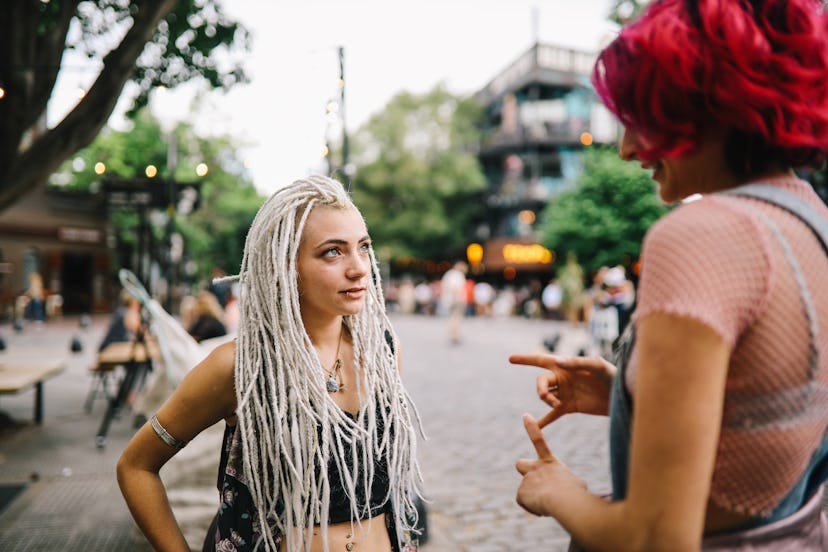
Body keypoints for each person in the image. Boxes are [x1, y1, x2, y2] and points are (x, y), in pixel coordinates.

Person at [510, 1, 828, 550]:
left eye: (641, 116)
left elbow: (656, 537)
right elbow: (771, 407)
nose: (628, 148)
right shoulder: (811, 222)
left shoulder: (701, 234)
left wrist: (558, 492)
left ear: (708, 103)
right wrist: (631, 397)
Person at [118, 175, 423, 552]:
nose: (359, 267)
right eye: (333, 251)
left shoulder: (384, 351)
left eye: (363, 247)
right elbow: (136, 467)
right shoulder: (239, 366)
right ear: (284, 266)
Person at [439, 261, 468, 344]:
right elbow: (455, 287)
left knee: (453, 317)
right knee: (456, 317)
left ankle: (453, 334)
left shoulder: (448, 274)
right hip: (456, 299)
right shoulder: (457, 275)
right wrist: (458, 299)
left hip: (448, 299)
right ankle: (454, 335)